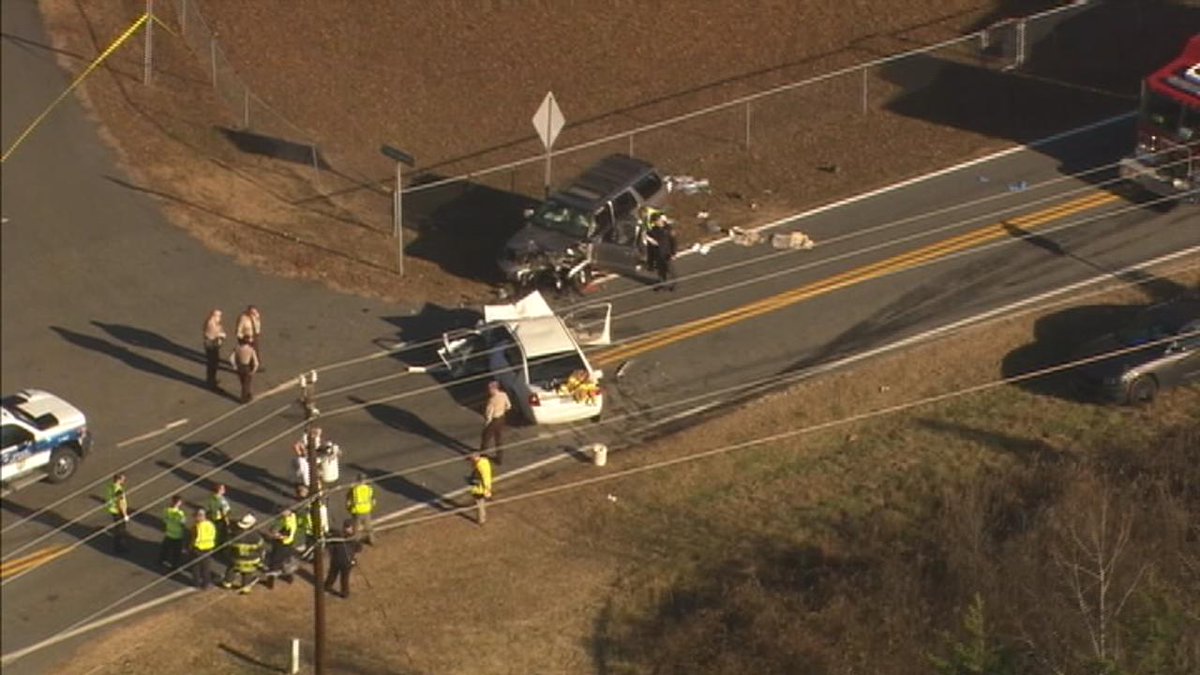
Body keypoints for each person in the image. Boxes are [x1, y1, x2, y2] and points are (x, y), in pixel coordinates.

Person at [221, 513, 264, 594]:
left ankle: (227, 583)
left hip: (236, 559)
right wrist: (260, 561)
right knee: (247, 573)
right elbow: (261, 549)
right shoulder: (256, 537)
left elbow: (229, 546)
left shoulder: (235, 535)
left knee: (231, 569)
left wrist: (229, 555)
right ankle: (245, 588)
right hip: (251, 560)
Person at [323, 520, 362, 599]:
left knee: (343, 578)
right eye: (347, 527)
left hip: (345, 562)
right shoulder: (339, 537)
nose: (348, 529)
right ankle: (328, 587)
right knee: (333, 576)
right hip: (338, 561)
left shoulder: (353, 539)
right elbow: (329, 541)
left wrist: (354, 559)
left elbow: (358, 549)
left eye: (349, 527)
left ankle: (343, 592)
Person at [264, 505, 298, 589]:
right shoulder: (293, 516)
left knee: (274, 562)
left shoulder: (282, 521)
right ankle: (289, 578)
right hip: (290, 543)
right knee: (287, 561)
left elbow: (273, 531)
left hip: (281, 544)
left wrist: (276, 535)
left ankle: (270, 582)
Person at [480, 381, 511, 464]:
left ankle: (483, 456)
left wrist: (486, 424)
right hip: (501, 418)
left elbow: (489, 414)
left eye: (489, 389)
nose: (488, 391)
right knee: (499, 438)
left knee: (485, 438)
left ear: (494, 389)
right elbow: (508, 406)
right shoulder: (504, 395)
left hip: (494, 420)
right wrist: (502, 410)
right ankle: (499, 458)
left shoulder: (492, 400)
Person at [295, 485, 328, 560]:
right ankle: (311, 555)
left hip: (317, 529)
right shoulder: (303, 504)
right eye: (299, 492)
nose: (300, 493)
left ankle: (315, 556)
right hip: (308, 529)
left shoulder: (317, 506)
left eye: (302, 491)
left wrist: (325, 529)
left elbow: (323, 517)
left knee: (317, 544)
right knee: (310, 543)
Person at [649, 216, 678, 291]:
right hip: (658, 253)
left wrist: (673, 253)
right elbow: (652, 244)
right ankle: (662, 284)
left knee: (670, 270)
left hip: (667, 253)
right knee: (661, 270)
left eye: (657, 221)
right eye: (654, 222)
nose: (656, 223)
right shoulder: (653, 230)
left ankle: (674, 284)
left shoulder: (668, 229)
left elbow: (673, 241)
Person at [191, 508, 218, 589]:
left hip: (197, 548)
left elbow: (192, 537)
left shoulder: (196, 526)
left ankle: (196, 583)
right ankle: (206, 584)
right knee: (206, 567)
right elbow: (213, 535)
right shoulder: (210, 525)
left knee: (196, 566)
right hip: (207, 548)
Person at [346, 473, 376, 545]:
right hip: (367, 510)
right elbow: (373, 501)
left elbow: (349, 500)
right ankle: (372, 540)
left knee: (356, 527)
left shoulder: (354, 489)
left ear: (358, 480)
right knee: (368, 526)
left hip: (357, 511)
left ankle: (356, 542)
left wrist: (349, 509)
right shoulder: (369, 489)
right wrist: (371, 507)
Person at [159, 494, 187, 569]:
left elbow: (164, 520)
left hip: (169, 533)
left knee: (165, 548)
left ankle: (161, 560)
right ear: (179, 503)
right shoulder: (180, 513)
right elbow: (182, 523)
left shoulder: (167, 510)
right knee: (176, 552)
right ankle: (174, 565)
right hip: (177, 535)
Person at [105, 474, 130, 554]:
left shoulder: (110, 486)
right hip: (118, 511)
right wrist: (125, 514)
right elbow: (120, 502)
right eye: (123, 479)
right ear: (119, 479)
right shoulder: (118, 489)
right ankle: (120, 548)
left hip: (113, 510)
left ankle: (117, 546)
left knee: (117, 529)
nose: (124, 481)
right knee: (121, 531)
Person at [229, 338, 260, 403]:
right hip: (247, 367)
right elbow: (256, 362)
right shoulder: (251, 350)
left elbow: (231, 358)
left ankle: (248, 394)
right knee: (246, 383)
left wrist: (234, 366)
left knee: (243, 382)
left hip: (240, 367)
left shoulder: (237, 348)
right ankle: (244, 398)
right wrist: (254, 370)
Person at [203, 309, 227, 390]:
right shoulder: (211, 323)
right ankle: (211, 382)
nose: (220, 318)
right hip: (211, 345)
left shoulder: (213, 322)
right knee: (212, 363)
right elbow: (215, 333)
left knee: (214, 362)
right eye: (218, 316)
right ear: (214, 315)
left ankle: (212, 380)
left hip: (212, 343)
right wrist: (222, 335)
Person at [467, 453, 493, 525]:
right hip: (481, 487)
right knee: (480, 503)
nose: (471, 462)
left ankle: (481, 520)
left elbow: (485, 479)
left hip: (480, 489)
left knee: (479, 504)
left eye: (472, 459)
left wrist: (487, 490)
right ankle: (482, 518)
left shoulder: (480, 467)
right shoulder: (484, 462)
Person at [207, 483, 232, 548]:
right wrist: (227, 522)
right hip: (220, 520)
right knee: (222, 534)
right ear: (219, 490)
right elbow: (224, 512)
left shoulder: (212, 498)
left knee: (215, 533)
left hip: (213, 518)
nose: (224, 490)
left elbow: (210, 509)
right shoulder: (221, 500)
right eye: (222, 489)